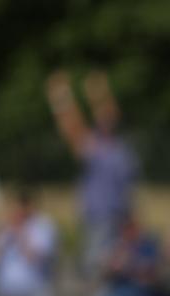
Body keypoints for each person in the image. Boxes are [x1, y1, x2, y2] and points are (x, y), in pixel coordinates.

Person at [45, 70, 138, 278]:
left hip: (119, 218)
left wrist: (99, 92)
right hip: (97, 217)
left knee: (113, 268)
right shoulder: (93, 145)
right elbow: (71, 127)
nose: (107, 117)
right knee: (94, 267)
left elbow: (129, 187)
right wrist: (61, 98)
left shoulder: (122, 149)